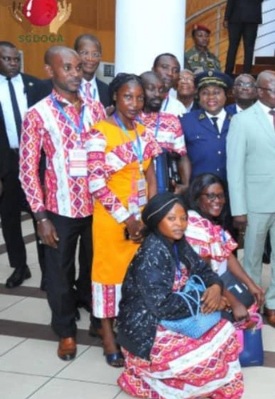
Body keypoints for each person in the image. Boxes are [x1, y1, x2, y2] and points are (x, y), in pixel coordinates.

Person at [19, 46, 105, 360]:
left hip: (98, 207)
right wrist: (40, 216)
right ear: (49, 71)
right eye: (66, 67)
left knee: (96, 269)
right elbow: (27, 168)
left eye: (78, 67)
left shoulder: (96, 109)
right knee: (58, 273)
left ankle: (98, 319)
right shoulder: (37, 113)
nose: (75, 74)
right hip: (59, 209)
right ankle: (66, 331)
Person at [117, 193, 244, 399]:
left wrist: (214, 288)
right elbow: (162, 306)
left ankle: (197, 386)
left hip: (175, 316)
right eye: (172, 219)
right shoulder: (151, 253)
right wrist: (206, 301)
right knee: (199, 358)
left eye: (183, 218)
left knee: (226, 331)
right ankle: (153, 378)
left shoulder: (178, 242)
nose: (180, 224)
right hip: (147, 330)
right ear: (156, 221)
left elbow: (204, 270)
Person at [87, 73, 161, 367]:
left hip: (141, 220)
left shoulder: (145, 132)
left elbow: (151, 177)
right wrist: (128, 220)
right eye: (128, 96)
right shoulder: (98, 133)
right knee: (108, 278)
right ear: (115, 96)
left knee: (137, 280)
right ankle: (108, 338)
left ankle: (133, 331)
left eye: (140, 97)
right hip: (111, 220)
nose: (135, 103)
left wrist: (149, 218)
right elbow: (96, 184)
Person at [227, 70, 275, 329]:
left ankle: (273, 304)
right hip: (256, 204)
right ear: (260, 92)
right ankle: (252, 304)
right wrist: (239, 209)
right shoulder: (243, 121)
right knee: (252, 258)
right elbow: (234, 167)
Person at [0, 41, 47, 289]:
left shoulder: (35, 85)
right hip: (6, 163)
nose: (13, 63)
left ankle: (48, 271)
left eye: (16, 59)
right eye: (7, 59)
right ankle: (20, 266)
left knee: (41, 215)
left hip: (36, 161)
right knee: (9, 218)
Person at [184, 173, 265, 310]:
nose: (217, 201)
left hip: (220, 281)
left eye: (221, 196)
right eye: (210, 196)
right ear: (197, 198)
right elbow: (204, 274)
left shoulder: (210, 221)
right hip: (202, 291)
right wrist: (234, 303)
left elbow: (227, 255)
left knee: (249, 302)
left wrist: (251, 284)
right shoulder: (195, 225)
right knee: (245, 316)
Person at [139, 71, 190, 194]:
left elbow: (182, 155)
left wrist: (185, 184)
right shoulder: (128, 120)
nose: (157, 94)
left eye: (161, 90)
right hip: (132, 190)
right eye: (151, 89)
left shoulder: (172, 120)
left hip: (164, 189)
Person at [181, 70, 234, 181]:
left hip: (231, 191)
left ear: (225, 95)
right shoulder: (186, 121)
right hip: (198, 191)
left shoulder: (237, 121)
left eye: (216, 92)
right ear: (198, 96)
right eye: (205, 93)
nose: (211, 97)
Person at [224, 0, 263, 75]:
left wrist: (226, 17)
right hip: (252, 16)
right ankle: (247, 73)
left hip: (235, 16)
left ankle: (228, 72)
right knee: (249, 48)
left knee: (233, 47)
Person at [74, 34, 109, 107]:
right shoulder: (64, 86)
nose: (90, 58)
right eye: (84, 53)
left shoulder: (108, 91)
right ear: (74, 54)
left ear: (100, 57)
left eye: (95, 54)